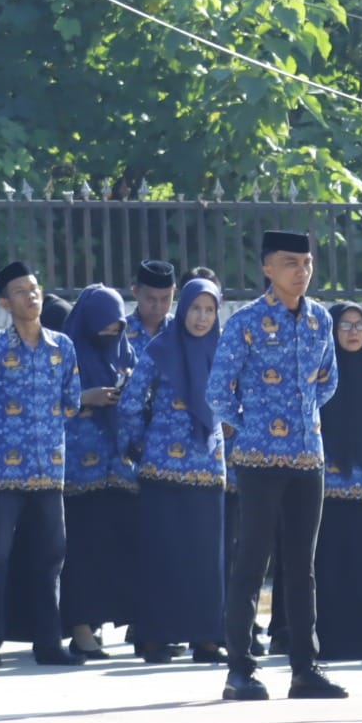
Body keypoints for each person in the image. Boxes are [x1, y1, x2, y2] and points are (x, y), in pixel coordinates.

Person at [214, 230, 347, 700]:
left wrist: (302, 418)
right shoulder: (245, 322)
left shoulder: (319, 319)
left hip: (308, 457)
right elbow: (219, 390)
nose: (301, 271)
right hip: (258, 459)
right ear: (268, 267)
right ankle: (240, 669)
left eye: (307, 262)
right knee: (251, 562)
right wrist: (252, 425)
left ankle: (305, 668)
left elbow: (328, 380)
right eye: (290, 262)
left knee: (302, 566)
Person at [0, 262, 82, 670]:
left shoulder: (62, 347)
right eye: (20, 291)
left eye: (34, 288)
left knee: (50, 559)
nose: (30, 296)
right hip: (2, 475)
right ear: (4, 303)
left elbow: (71, 401)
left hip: (48, 472)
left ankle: (48, 643)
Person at [117, 275, 228, 664]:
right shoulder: (160, 348)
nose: (202, 318)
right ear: (183, 310)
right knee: (163, 555)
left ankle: (207, 638)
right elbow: (130, 401)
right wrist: (140, 443)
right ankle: (155, 638)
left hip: (209, 468)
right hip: (161, 468)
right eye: (195, 309)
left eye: (209, 310)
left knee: (205, 556)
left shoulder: (225, 351)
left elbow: (240, 399)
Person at [310, 303, 362, 661]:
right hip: (327, 483)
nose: (354, 332)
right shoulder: (321, 371)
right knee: (332, 563)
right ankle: (332, 641)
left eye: (360, 325)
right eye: (345, 325)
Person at [60, 284, 136, 658]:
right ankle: (80, 629)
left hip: (119, 472)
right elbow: (48, 403)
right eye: (103, 324)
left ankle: (100, 625)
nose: (110, 331)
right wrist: (84, 398)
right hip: (77, 475)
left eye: (116, 325)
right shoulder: (65, 353)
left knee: (112, 552)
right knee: (82, 553)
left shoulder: (125, 354)